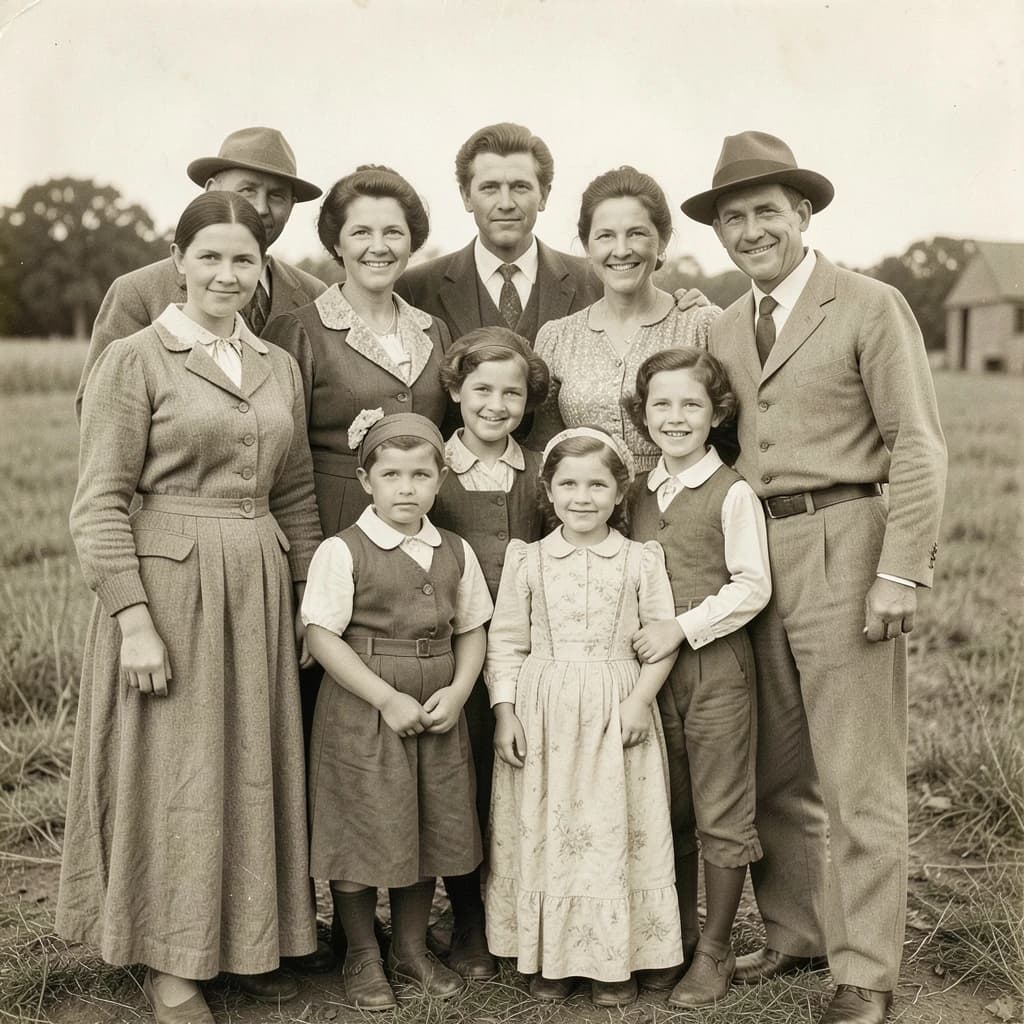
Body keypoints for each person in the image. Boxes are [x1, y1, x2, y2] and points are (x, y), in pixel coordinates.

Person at [680, 131, 947, 1024]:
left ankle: (866, 972)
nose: (751, 230)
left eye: (767, 211)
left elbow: (918, 444)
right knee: (773, 765)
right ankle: (797, 932)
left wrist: (900, 570)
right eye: (733, 218)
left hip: (847, 539)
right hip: (756, 551)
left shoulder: (869, 304)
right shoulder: (724, 326)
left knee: (856, 775)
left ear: (802, 213)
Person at [58, 191, 324, 1023]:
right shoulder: (136, 358)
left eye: (244, 259)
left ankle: (244, 943)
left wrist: (309, 601)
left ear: (262, 269)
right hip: (169, 590)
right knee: (177, 772)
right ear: (178, 261)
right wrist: (133, 619)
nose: (226, 274)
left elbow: (297, 494)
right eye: (209, 255)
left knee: (249, 764)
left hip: (258, 587)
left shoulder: (275, 364)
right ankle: (170, 962)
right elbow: (99, 503)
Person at [485, 427, 683, 1009]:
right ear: (548, 491)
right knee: (550, 828)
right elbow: (506, 642)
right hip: (543, 709)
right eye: (568, 484)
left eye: (597, 485)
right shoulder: (528, 560)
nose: (582, 497)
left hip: (616, 703)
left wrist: (639, 700)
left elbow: (662, 639)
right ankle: (553, 956)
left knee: (610, 828)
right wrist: (505, 712)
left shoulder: (641, 559)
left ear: (620, 493)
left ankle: (613, 960)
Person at [301, 412, 493, 1010]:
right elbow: (320, 635)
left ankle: (410, 949)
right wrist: (384, 697)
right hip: (365, 711)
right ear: (366, 480)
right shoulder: (343, 550)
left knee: (430, 821)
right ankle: (362, 952)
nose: (406, 488)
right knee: (360, 822)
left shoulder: (455, 550)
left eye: (420, 475)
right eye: (391, 475)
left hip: (436, 708)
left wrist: (459, 691)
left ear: (440, 480)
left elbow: (473, 627)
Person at [623, 347, 771, 1007]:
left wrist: (682, 628)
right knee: (667, 805)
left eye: (691, 404)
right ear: (642, 412)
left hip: (714, 668)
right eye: (661, 403)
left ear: (717, 414)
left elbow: (752, 586)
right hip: (648, 677)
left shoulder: (731, 492)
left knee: (721, 810)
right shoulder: (634, 491)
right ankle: (673, 939)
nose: (675, 417)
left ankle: (715, 949)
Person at [428, 327, 549, 980]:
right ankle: (469, 921)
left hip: (533, 656)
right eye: (481, 389)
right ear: (455, 390)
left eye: (512, 393)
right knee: (462, 785)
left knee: (527, 779)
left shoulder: (545, 472)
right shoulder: (432, 470)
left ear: (529, 401)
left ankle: (528, 914)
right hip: (451, 655)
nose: (496, 405)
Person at [76, 127, 326, 420]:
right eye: (247, 190)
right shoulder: (136, 292)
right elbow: (100, 410)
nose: (260, 207)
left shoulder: (315, 296)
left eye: (277, 196)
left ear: (292, 206)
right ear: (211, 190)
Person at [264, 165, 452, 541]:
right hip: (334, 535)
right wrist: (306, 560)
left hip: (423, 538)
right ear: (337, 243)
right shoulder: (299, 330)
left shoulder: (435, 331)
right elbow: (284, 470)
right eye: (361, 232)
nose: (378, 247)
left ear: (411, 242)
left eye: (393, 232)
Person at [527, 166, 720, 471]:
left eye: (636, 233)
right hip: (586, 499)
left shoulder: (701, 326)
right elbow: (546, 448)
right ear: (587, 245)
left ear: (662, 241)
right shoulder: (558, 338)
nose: (621, 250)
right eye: (605, 236)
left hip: (683, 498)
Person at [395, 122, 601, 347]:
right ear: (466, 197)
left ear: (543, 196)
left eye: (520, 187)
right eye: (489, 188)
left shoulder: (595, 282)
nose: (505, 203)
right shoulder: (414, 289)